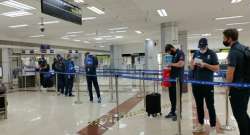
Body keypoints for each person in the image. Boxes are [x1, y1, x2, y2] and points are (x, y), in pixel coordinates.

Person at [223, 28, 250, 135]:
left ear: (229, 38)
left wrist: (228, 86)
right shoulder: (244, 48)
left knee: (239, 114)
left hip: (237, 88)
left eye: (224, 38)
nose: (224, 40)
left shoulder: (233, 52)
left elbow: (230, 72)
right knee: (242, 112)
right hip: (246, 85)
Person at [191, 38, 219, 134]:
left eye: (203, 47)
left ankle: (212, 126)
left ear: (206, 45)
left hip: (208, 85)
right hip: (196, 84)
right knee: (199, 106)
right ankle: (200, 125)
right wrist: (193, 64)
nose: (201, 48)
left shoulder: (212, 54)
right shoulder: (196, 53)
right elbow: (191, 66)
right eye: (200, 47)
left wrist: (205, 65)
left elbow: (216, 68)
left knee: (210, 105)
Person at [164, 44, 185, 121]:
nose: (169, 53)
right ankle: (172, 112)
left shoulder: (180, 53)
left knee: (178, 97)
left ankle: (179, 114)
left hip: (178, 79)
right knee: (172, 96)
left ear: (172, 48)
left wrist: (171, 64)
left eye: (169, 51)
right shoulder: (173, 55)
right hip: (171, 79)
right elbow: (173, 66)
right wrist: (168, 67)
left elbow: (181, 64)